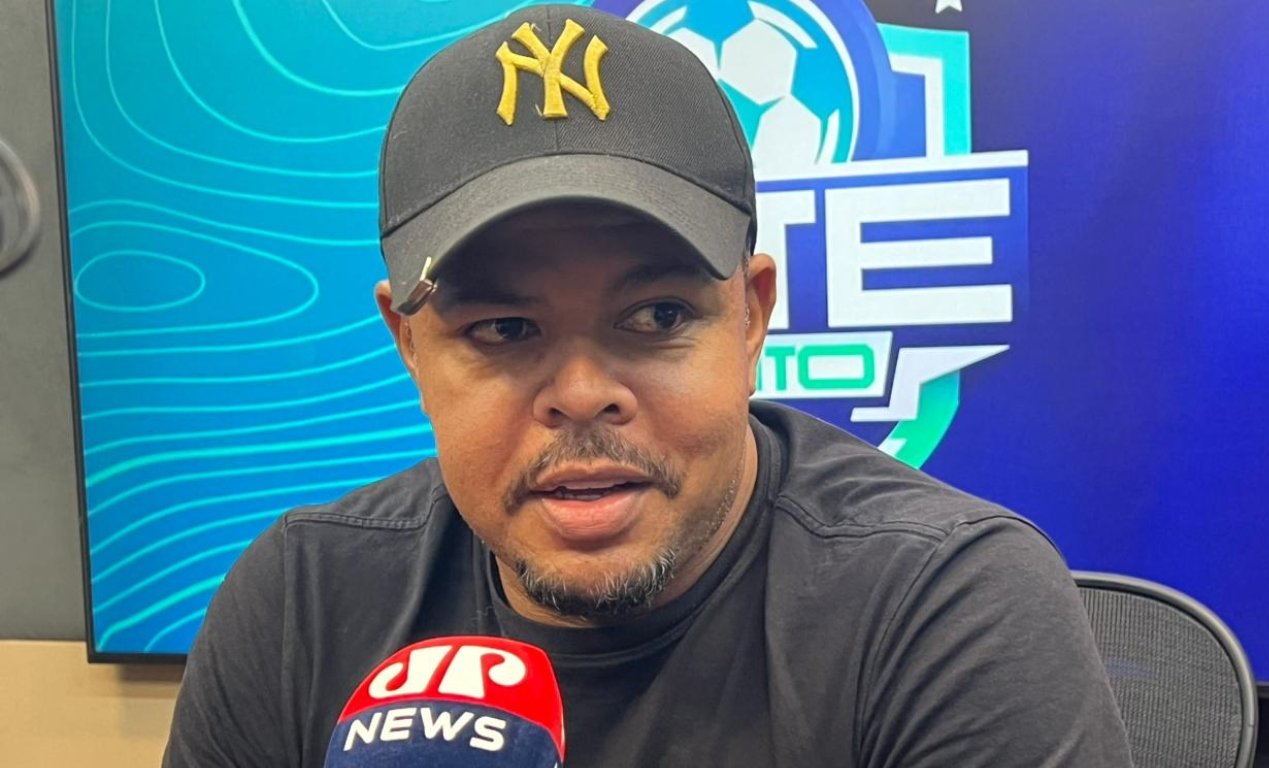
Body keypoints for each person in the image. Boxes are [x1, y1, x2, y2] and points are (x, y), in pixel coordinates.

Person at [163, 5, 1132, 766]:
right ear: (409, 345)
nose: (583, 393)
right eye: (503, 329)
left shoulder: (945, 608)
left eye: (658, 316)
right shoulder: (298, 606)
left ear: (750, 318)